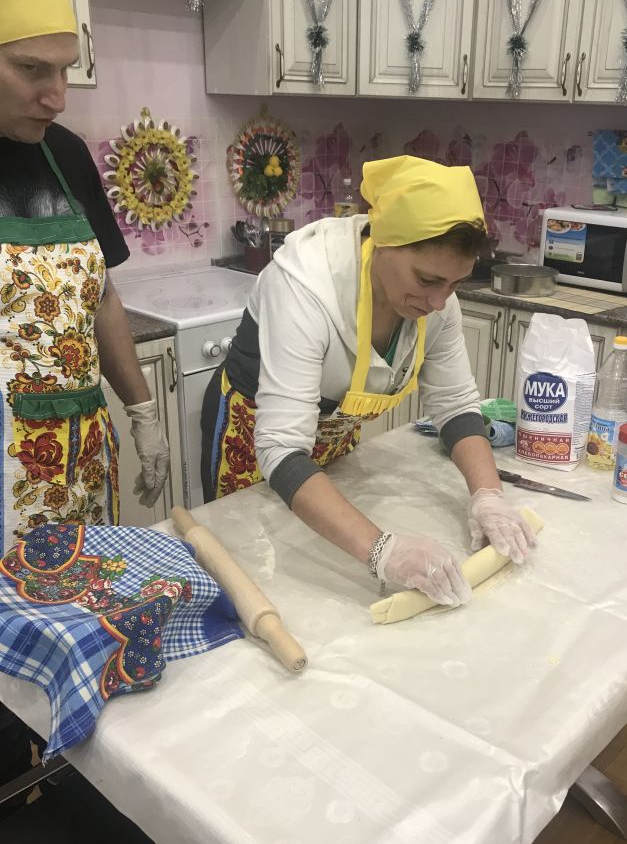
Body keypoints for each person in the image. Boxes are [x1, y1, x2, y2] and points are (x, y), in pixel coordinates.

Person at [201, 155, 536, 606]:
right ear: (382, 242)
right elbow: (281, 447)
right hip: (251, 435)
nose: (440, 302)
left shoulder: (436, 302)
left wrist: (488, 495)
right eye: (428, 280)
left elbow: (456, 405)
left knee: (322, 583)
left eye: (455, 284)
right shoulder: (304, 286)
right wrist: (383, 551)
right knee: (260, 578)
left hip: (332, 435)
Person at [0, 0, 170, 804]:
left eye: (65, 70)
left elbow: (101, 295)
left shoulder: (66, 154)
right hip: (4, 471)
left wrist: (141, 410)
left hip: (81, 456)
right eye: (33, 70)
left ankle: (80, 786)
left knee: (80, 623)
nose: (57, 94)